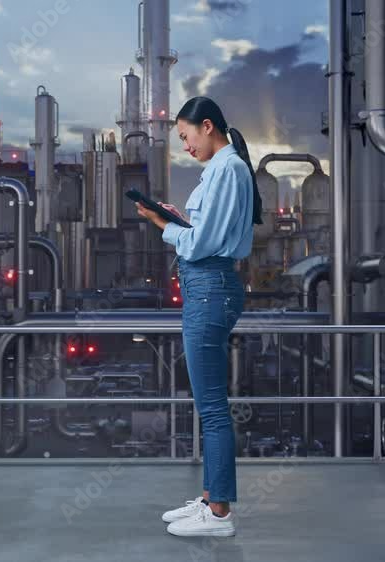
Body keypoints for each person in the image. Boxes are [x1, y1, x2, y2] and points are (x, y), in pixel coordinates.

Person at [135, 96, 262, 538]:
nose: (186, 147)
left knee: (212, 408)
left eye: (187, 137)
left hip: (209, 288)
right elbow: (208, 232)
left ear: (207, 127)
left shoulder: (228, 169)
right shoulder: (224, 170)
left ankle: (220, 515)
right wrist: (178, 220)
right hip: (207, 288)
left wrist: (161, 224)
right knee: (209, 406)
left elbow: (203, 243)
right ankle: (211, 498)